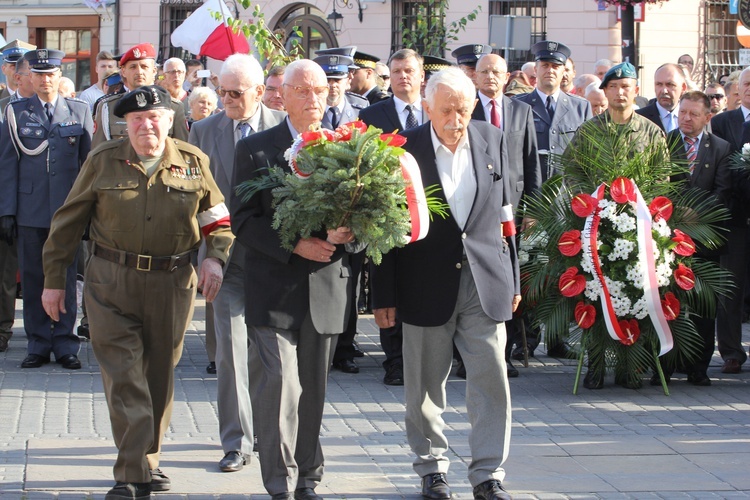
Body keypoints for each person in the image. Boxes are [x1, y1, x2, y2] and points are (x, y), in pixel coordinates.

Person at [40, 84, 232, 499]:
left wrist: (215, 257)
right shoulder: (103, 160)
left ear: (170, 121)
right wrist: (54, 282)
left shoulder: (194, 162)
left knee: (158, 377)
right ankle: (130, 473)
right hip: (111, 283)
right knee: (126, 376)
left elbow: (217, 217)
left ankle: (149, 460)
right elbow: (67, 224)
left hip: (173, 283)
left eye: (155, 117)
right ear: (125, 124)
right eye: (137, 119)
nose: (147, 125)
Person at [371, 66, 519, 500]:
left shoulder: (492, 140)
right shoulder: (402, 150)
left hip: (484, 281)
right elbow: (384, 227)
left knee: (491, 378)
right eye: (446, 110)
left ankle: (489, 474)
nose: (456, 120)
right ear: (426, 108)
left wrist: (510, 275)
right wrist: (383, 294)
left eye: (463, 109)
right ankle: (432, 469)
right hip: (423, 283)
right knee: (423, 384)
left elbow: (505, 215)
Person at [229, 59, 363, 500]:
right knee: (280, 387)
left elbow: (373, 217)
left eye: (320, 91)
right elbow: (243, 221)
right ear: (280, 95)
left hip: (326, 288)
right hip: (274, 288)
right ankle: (280, 482)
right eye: (302, 91)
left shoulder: (351, 149)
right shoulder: (256, 149)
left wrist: (350, 232)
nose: (312, 100)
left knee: (314, 391)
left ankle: (308, 477)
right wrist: (293, 246)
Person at [189, 52, 285, 474]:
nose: (225, 99)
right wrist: (201, 256)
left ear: (261, 93)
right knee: (229, 351)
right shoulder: (203, 130)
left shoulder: (282, 131)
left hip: (272, 260)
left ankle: (269, 433)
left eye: (235, 93)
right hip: (222, 260)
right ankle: (236, 441)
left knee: (270, 355)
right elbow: (194, 199)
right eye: (222, 91)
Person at [562, 62, 667, 389]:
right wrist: (588, 204)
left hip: (637, 228)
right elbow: (571, 172)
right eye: (614, 87)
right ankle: (595, 363)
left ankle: (630, 367)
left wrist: (644, 212)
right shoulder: (589, 131)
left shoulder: (650, 132)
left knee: (637, 294)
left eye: (627, 86)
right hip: (595, 227)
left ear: (635, 90)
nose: (620, 93)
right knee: (595, 295)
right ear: (605, 91)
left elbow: (662, 179)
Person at [0, 48, 93, 370]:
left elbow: (87, 166)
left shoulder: (78, 111)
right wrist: (7, 211)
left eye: (50, 74)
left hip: (67, 210)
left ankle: (66, 343)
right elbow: (8, 165)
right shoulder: (17, 112)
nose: (44, 80)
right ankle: (38, 343)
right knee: (33, 276)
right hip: (30, 209)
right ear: (28, 77)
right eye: (38, 74)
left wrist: (89, 210)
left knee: (67, 277)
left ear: (59, 76)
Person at [514, 40, 592, 359]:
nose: (549, 71)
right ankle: (526, 340)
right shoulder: (520, 105)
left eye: (555, 66)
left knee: (565, 270)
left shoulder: (580, 107)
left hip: (566, 203)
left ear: (564, 72)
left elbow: (585, 159)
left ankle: (559, 339)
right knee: (532, 270)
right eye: (544, 65)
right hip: (532, 202)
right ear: (535, 71)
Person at [359, 48, 426, 386]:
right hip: (387, 214)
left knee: (423, 284)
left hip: (430, 214)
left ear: (421, 75)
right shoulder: (373, 115)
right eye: (397, 71)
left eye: (409, 70)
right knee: (389, 286)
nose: (403, 76)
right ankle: (395, 361)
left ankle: (425, 357)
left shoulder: (433, 111)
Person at [473, 53, 541, 378]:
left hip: (512, 209)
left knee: (511, 281)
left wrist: (533, 210)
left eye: (495, 72)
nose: (489, 77)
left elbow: (531, 163)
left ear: (507, 76)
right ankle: (467, 357)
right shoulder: (467, 109)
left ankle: (507, 353)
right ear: (475, 76)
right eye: (484, 71)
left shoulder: (521, 110)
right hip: (476, 208)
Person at [659, 90, 732, 386]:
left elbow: (724, 192)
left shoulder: (721, 148)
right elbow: (657, 184)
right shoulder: (665, 142)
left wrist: (698, 215)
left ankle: (698, 367)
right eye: (682, 113)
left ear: (707, 117)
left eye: (693, 114)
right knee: (667, 301)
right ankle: (664, 364)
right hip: (668, 237)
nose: (686, 119)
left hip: (705, 238)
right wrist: (675, 213)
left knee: (704, 304)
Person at [709, 67, 750, 375]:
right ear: (737, 89)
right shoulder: (723, 122)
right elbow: (718, 166)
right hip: (733, 219)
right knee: (730, 288)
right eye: (746, 83)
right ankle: (731, 352)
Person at [92, 43, 189, 148]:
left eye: (144, 66)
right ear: (123, 72)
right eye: (133, 67)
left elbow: (182, 150)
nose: (139, 72)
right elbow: (97, 152)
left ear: (154, 71)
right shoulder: (107, 107)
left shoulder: (174, 107)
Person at [635, 63, 687, 133]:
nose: (664, 91)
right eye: (659, 84)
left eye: (670, 84)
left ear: (683, 87)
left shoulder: (692, 119)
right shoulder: (639, 118)